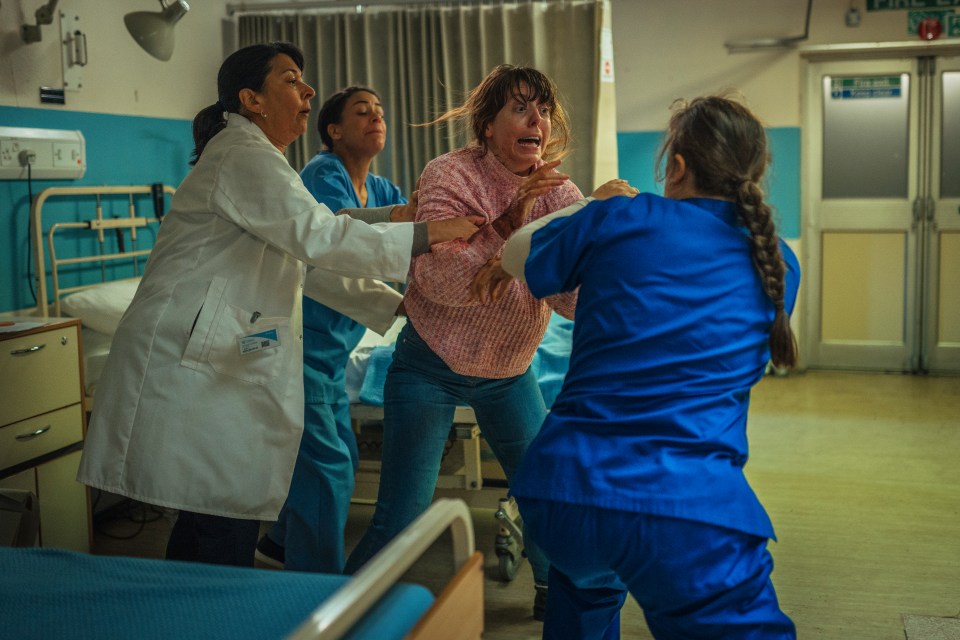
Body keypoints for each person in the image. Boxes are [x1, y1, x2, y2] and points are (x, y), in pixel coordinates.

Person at [76, 42, 480, 568]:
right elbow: (317, 236)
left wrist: (397, 231)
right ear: (253, 99)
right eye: (291, 79)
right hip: (192, 363)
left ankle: (201, 609)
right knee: (218, 515)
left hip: (224, 359)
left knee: (216, 515)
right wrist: (427, 234)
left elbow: (311, 238)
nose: (308, 89)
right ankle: (234, 613)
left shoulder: (262, 161)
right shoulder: (242, 156)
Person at [471, 95, 800, 639]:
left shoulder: (619, 217)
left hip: (566, 494)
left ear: (676, 166)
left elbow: (514, 257)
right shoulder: (777, 262)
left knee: (587, 595)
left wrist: (587, 204)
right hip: (684, 508)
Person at [343, 63, 636, 619]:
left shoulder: (560, 192)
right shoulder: (449, 175)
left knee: (545, 495)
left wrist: (598, 235)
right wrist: (512, 222)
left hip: (507, 369)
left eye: (543, 110)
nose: (537, 120)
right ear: (487, 125)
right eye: (521, 107)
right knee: (401, 514)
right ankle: (333, 607)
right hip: (429, 360)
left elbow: (568, 300)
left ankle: (557, 596)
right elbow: (445, 283)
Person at [255, 86, 414, 573]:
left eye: (381, 111)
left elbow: (417, 229)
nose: (376, 118)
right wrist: (404, 305)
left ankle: (283, 540)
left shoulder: (381, 189)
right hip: (299, 346)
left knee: (335, 452)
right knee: (330, 470)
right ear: (334, 130)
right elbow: (326, 262)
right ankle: (318, 589)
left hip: (329, 354)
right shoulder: (323, 174)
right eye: (362, 112)